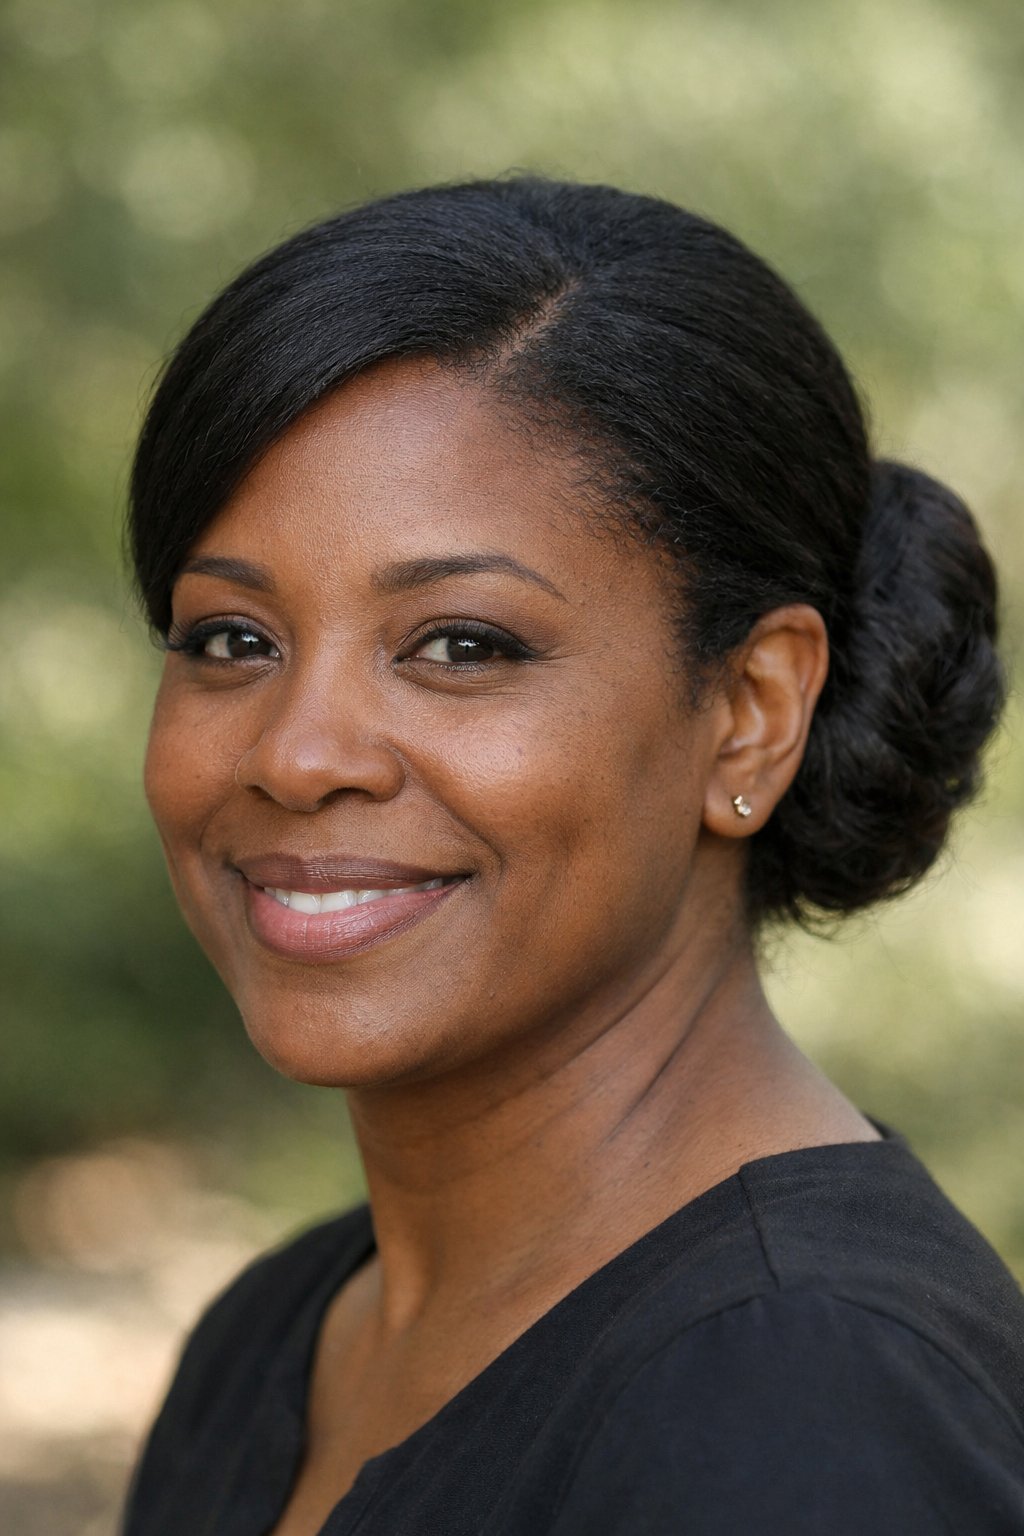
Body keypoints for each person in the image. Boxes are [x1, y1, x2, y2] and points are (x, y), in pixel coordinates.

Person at [121, 176, 1024, 1536]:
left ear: (748, 716)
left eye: (462, 645)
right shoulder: (280, 1335)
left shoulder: (804, 1402)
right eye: (231, 640)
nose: (299, 756)